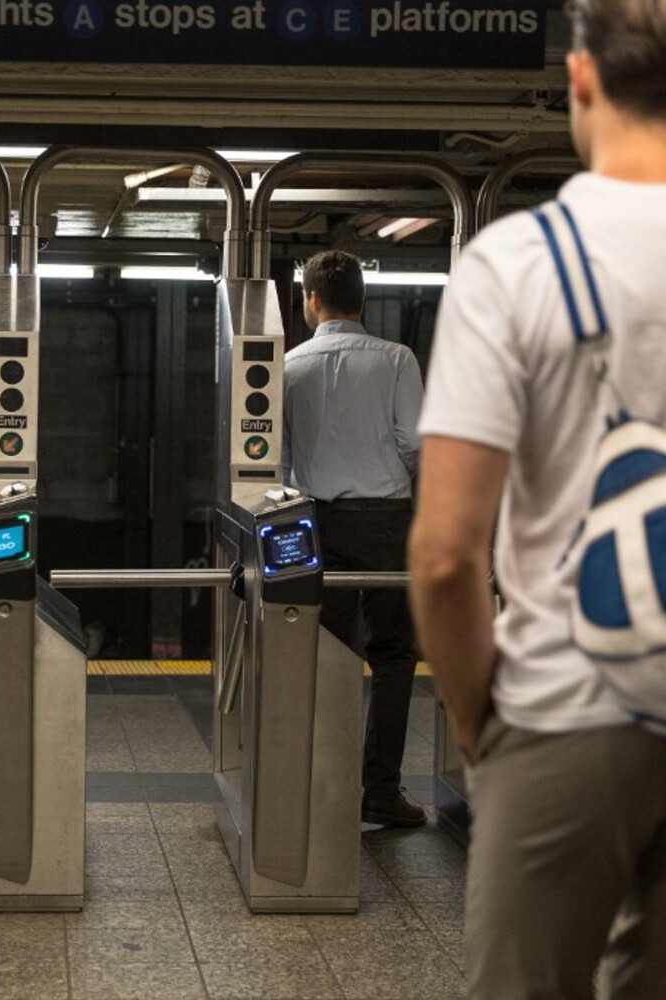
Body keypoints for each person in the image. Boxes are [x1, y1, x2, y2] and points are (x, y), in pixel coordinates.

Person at [408, 0, 666, 993]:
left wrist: (482, 725)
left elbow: (443, 550)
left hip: (566, 703)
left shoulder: (516, 264)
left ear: (580, 81)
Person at [282, 250, 425, 827]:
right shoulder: (396, 359)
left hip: (316, 521)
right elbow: (416, 441)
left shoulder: (288, 366)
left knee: (330, 654)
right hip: (388, 520)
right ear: (361, 300)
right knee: (392, 656)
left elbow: (280, 457)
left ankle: (328, 790)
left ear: (311, 300)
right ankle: (380, 791)